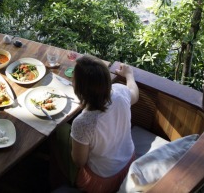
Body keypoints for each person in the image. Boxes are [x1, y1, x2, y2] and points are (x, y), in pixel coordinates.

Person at [53, 55, 139, 193]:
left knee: (59, 132)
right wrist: (129, 75)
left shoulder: (83, 123)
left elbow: (79, 162)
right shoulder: (120, 91)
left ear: (78, 89)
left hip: (101, 182)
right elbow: (135, 94)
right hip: (129, 162)